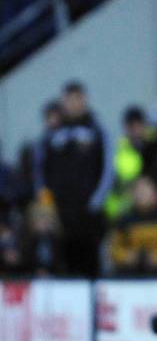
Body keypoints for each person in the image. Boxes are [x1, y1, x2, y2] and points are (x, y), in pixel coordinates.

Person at [34, 81, 113, 277]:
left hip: (89, 213)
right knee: (62, 265)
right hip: (59, 212)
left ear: (84, 100)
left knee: (90, 264)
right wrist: (47, 204)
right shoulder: (51, 134)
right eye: (69, 99)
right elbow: (40, 170)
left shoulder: (97, 131)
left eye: (77, 99)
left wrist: (96, 202)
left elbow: (107, 169)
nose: (73, 104)